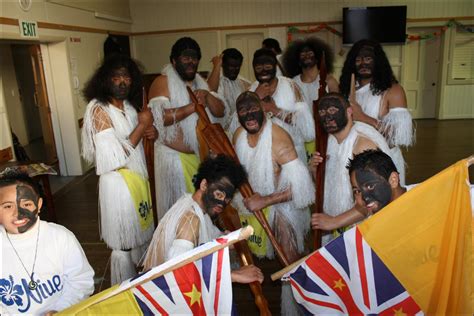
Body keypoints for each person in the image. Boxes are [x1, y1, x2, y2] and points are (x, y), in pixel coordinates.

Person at [233, 91, 314, 315]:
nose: (249, 114)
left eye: (253, 109)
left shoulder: (279, 140)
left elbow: (302, 189)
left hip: (283, 206)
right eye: (242, 110)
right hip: (253, 205)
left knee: (289, 260)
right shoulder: (238, 134)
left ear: (263, 110)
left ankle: (301, 306)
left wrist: (267, 200)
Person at [82, 54, 155, 284]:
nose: (122, 82)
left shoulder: (130, 108)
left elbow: (135, 144)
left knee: (140, 237)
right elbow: (114, 158)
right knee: (123, 244)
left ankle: (141, 283)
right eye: (116, 77)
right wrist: (143, 126)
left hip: (137, 181)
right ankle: (124, 289)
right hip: (117, 184)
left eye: (126, 77)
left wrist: (151, 134)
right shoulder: (98, 109)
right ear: (105, 81)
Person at [142, 155, 263, 284]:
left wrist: (226, 240)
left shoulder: (194, 206)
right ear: (204, 185)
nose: (222, 204)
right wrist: (234, 275)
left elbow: (204, 241)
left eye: (227, 199)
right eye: (219, 194)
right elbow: (179, 273)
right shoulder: (190, 219)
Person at [148, 37, 226, 221]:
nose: (191, 62)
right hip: (173, 162)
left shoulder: (200, 82)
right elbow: (157, 118)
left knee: (199, 212)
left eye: (195, 58)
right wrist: (192, 107)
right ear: (174, 61)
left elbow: (220, 111)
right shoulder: (163, 81)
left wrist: (207, 97)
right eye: (185, 58)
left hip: (200, 159)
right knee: (179, 214)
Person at [309, 93, 402, 244]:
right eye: (322, 112)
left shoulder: (362, 145)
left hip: (368, 229)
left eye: (333, 110)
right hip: (344, 223)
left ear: (349, 112)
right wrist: (315, 170)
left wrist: (334, 221)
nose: (327, 117)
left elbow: (376, 199)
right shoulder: (330, 141)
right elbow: (327, 186)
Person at [0, 171, 94, 315]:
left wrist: (61, 309)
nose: (18, 213)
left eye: (26, 204)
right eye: (7, 206)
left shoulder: (60, 237)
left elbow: (81, 281)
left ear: (39, 205)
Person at [339, 39, 414, 185]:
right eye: (358, 60)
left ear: (378, 62)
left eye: (368, 59)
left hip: (383, 161)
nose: (363, 64)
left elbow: (396, 138)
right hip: (350, 159)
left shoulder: (393, 91)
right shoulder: (347, 91)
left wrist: (363, 117)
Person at [229, 48, 314, 163]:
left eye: (268, 67)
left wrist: (274, 110)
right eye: (258, 68)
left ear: (275, 67)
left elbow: (306, 128)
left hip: (291, 153)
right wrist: (255, 97)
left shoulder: (291, 86)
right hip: (260, 157)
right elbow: (237, 128)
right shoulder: (250, 90)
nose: (263, 71)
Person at [282, 37, 339, 109]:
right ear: (298, 61)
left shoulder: (329, 81)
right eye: (303, 55)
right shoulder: (293, 83)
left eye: (310, 53)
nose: (307, 57)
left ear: (318, 58)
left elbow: (337, 107)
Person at [207, 48, 251, 130]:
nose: (234, 70)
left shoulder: (243, 83)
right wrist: (217, 65)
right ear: (223, 65)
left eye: (237, 67)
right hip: (219, 130)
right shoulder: (216, 80)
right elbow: (210, 92)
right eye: (231, 67)